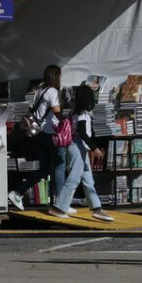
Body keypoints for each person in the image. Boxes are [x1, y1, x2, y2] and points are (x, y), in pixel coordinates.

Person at [9, 65, 69, 216]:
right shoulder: (53, 92)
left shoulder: (40, 91)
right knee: (59, 166)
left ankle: (18, 192)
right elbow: (56, 112)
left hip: (39, 134)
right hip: (50, 134)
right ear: (56, 76)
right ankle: (61, 203)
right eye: (60, 75)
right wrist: (67, 121)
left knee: (44, 169)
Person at [54, 84, 114, 222]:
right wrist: (95, 148)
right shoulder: (81, 114)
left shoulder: (75, 112)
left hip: (80, 147)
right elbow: (82, 133)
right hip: (77, 146)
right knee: (74, 178)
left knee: (88, 180)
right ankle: (58, 207)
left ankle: (97, 209)